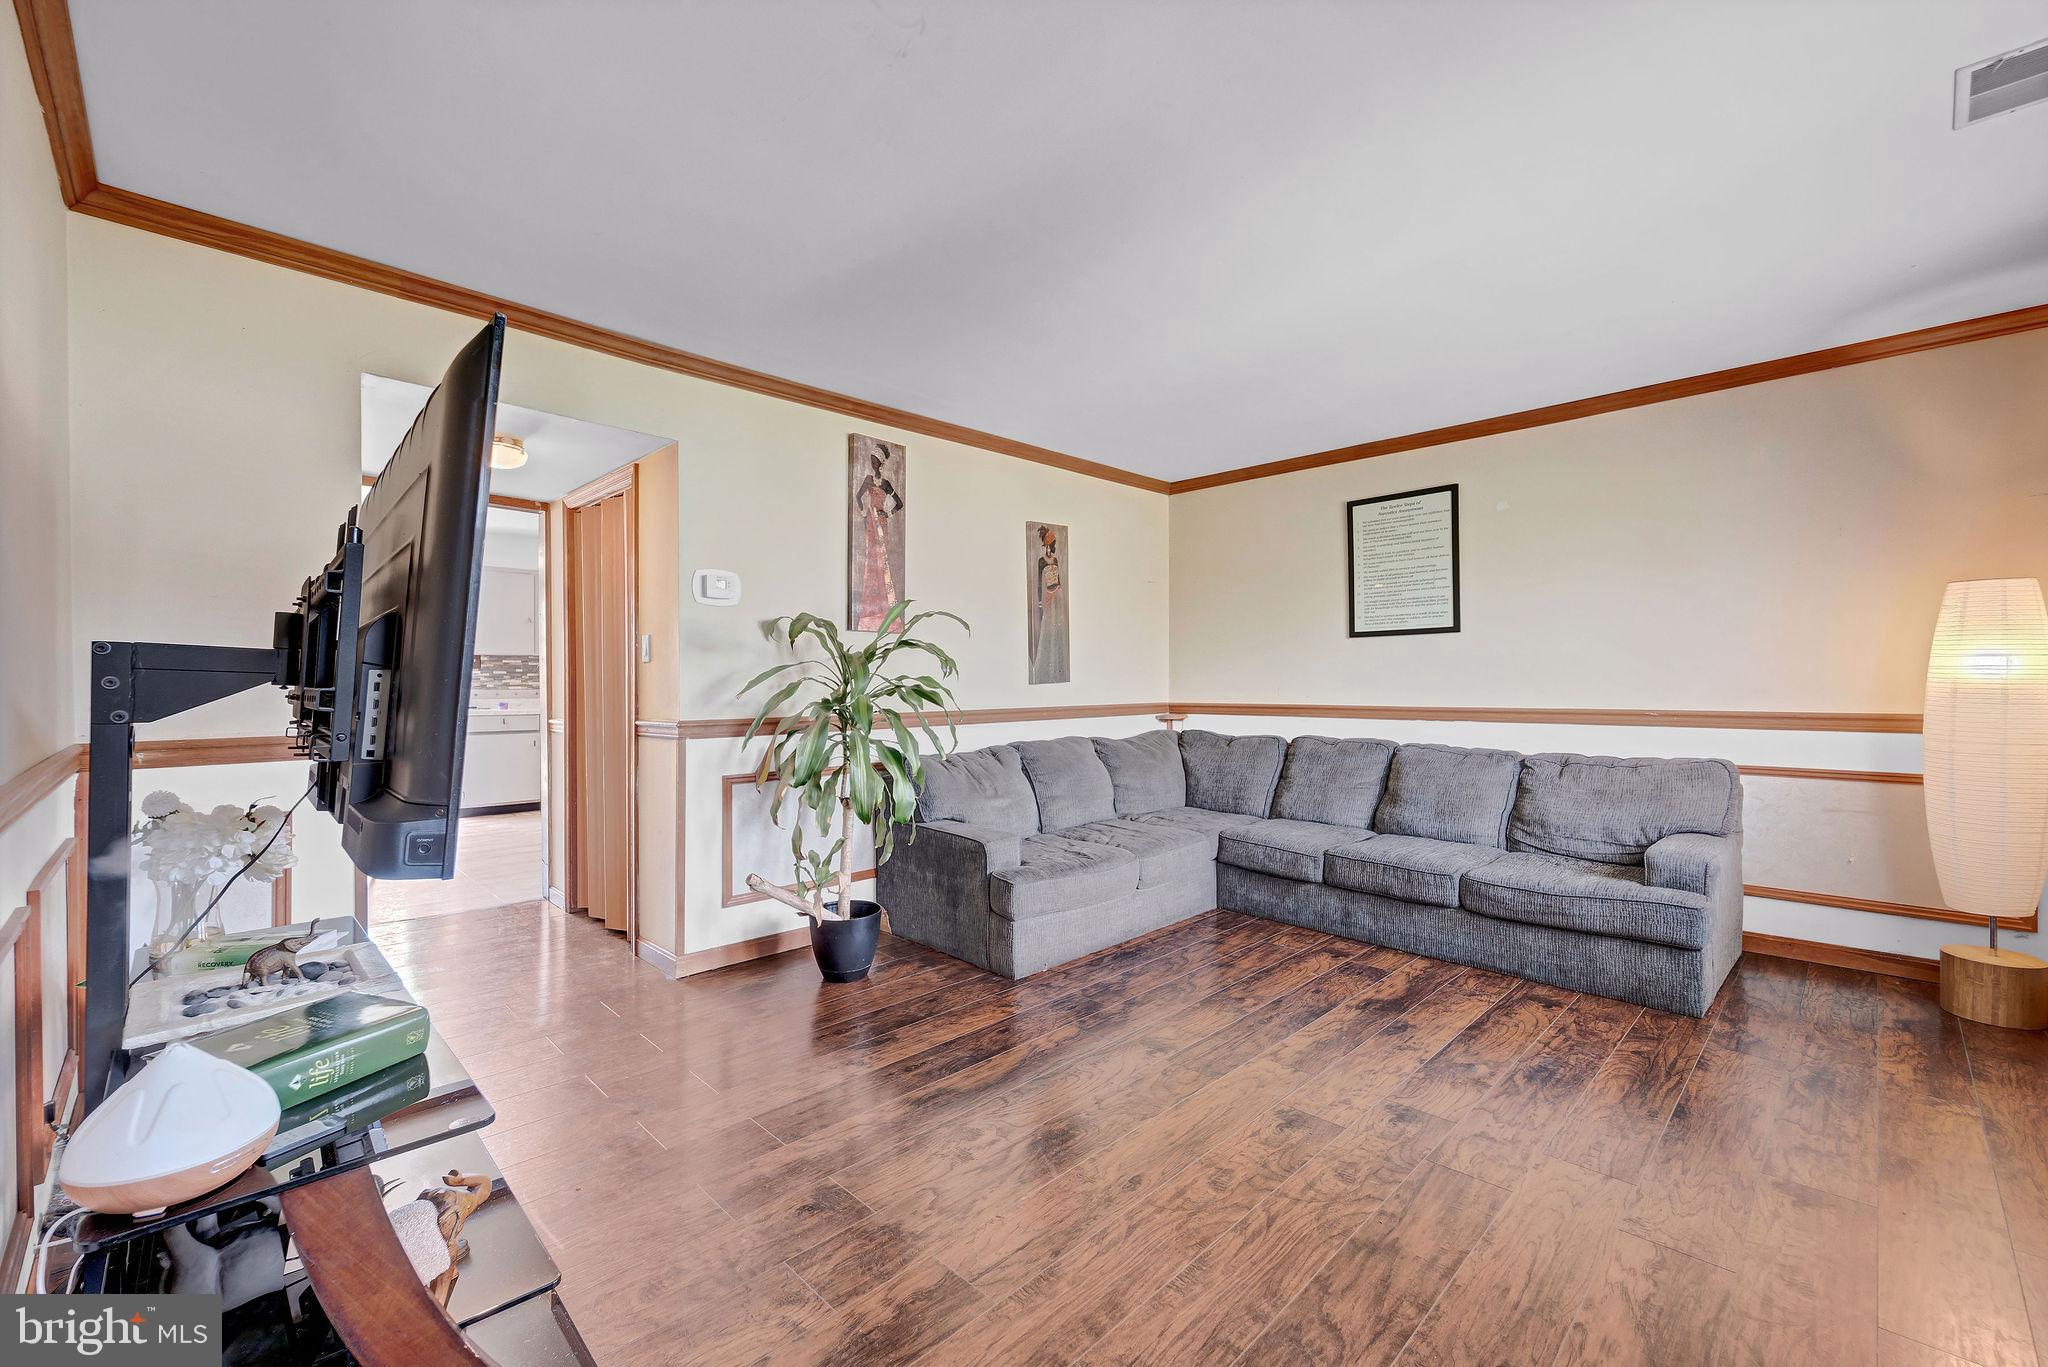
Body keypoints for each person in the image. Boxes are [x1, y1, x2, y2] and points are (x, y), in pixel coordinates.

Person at [851, 446, 903, 629]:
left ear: (880, 462)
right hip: (871, 522)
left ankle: (885, 606)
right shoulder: (868, 480)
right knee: (872, 559)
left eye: (875, 460)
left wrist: (887, 513)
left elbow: (900, 504)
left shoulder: (886, 483)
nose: (872, 463)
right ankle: (871, 607)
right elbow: (858, 497)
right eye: (871, 459)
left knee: (883, 560)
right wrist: (865, 513)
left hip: (882, 521)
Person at [1030, 524, 1069, 682]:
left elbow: (1058, 580)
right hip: (1048, 597)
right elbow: (1040, 583)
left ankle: (1059, 667)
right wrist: (1040, 601)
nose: (1051, 546)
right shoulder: (1041, 561)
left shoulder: (1056, 560)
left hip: (1058, 596)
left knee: (1058, 628)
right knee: (1048, 628)